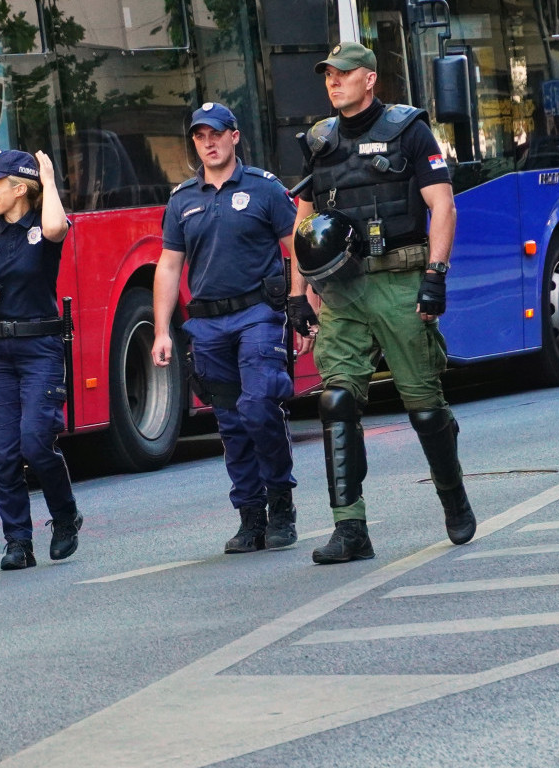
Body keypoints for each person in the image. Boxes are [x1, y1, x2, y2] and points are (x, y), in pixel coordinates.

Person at [287, 42, 477, 564]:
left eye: (344, 74)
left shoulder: (409, 130)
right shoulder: (320, 141)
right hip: (343, 289)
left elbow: (443, 206)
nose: (333, 82)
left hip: (399, 279)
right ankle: (351, 529)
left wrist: (435, 277)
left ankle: (453, 496)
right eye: (328, 75)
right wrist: (298, 293)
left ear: (369, 79)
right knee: (336, 401)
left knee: (422, 403)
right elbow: (303, 219)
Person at [151, 103, 302, 554]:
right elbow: (168, 266)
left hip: (257, 314)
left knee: (258, 407)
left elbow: (299, 248)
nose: (208, 142)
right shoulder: (182, 200)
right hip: (208, 324)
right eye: (199, 136)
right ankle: (250, 516)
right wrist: (162, 330)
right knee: (232, 424)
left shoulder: (264, 189)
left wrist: (301, 303)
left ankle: (281, 504)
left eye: (216, 133)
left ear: (234, 136)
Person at [0, 149, 82, 570]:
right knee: (2, 451)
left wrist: (49, 179)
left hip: (38, 349)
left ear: (20, 189)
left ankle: (65, 515)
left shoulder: (43, 225)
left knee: (36, 441)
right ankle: (17, 540)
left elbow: (55, 226)